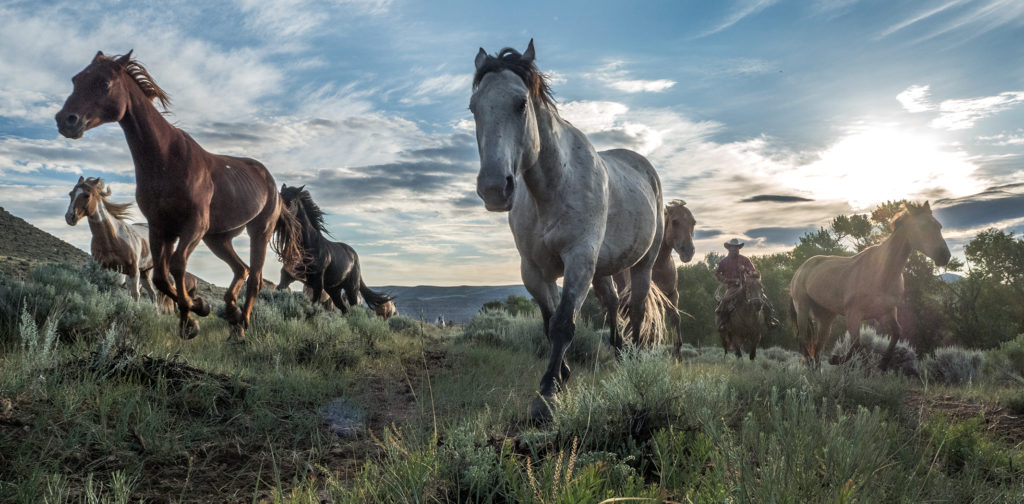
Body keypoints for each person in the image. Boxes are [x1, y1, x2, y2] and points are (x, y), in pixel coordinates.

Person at [714, 239, 779, 331]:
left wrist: (745, 268)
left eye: (736, 247)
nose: (735, 249)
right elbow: (717, 273)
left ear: (738, 248)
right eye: (732, 247)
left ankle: (770, 320)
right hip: (732, 286)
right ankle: (722, 323)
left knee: (764, 299)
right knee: (724, 300)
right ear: (729, 248)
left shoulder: (745, 259)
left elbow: (753, 271)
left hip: (748, 285)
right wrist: (727, 280)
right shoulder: (724, 261)